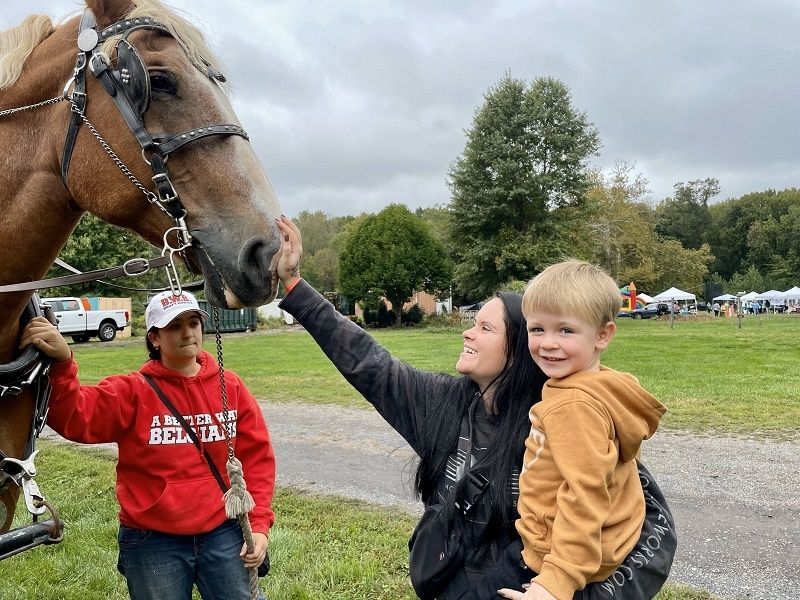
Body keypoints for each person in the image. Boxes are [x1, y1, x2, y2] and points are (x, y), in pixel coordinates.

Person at [273, 217, 676, 600]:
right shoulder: (440, 402)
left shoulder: (567, 414)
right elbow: (367, 362)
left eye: (485, 327)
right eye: (473, 321)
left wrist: (571, 591)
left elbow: (651, 529)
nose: (467, 331)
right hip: (448, 581)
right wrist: (292, 285)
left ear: (517, 349)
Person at [20, 290, 275, 600]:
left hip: (224, 531)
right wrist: (63, 363)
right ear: (155, 338)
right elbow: (76, 419)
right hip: (154, 540)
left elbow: (258, 459)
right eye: (174, 326)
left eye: (193, 322)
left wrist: (259, 525)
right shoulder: (132, 391)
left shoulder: (229, 385)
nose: (187, 332)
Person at [489, 261, 665, 600]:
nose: (547, 344)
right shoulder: (603, 387)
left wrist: (555, 583)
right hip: (588, 549)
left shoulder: (573, 405)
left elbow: (585, 495)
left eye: (566, 330)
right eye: (537, 329)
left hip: (551, 561)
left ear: (603, 335)